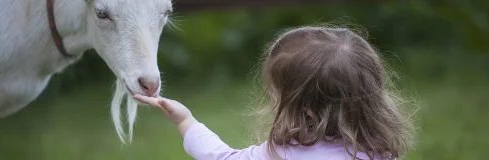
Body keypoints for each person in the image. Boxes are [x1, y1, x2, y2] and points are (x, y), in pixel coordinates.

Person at [134, 26, 413, 160]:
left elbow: (219, 157)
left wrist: (185, 121)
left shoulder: (280, 154)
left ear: (306, 110)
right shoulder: (380, 153)